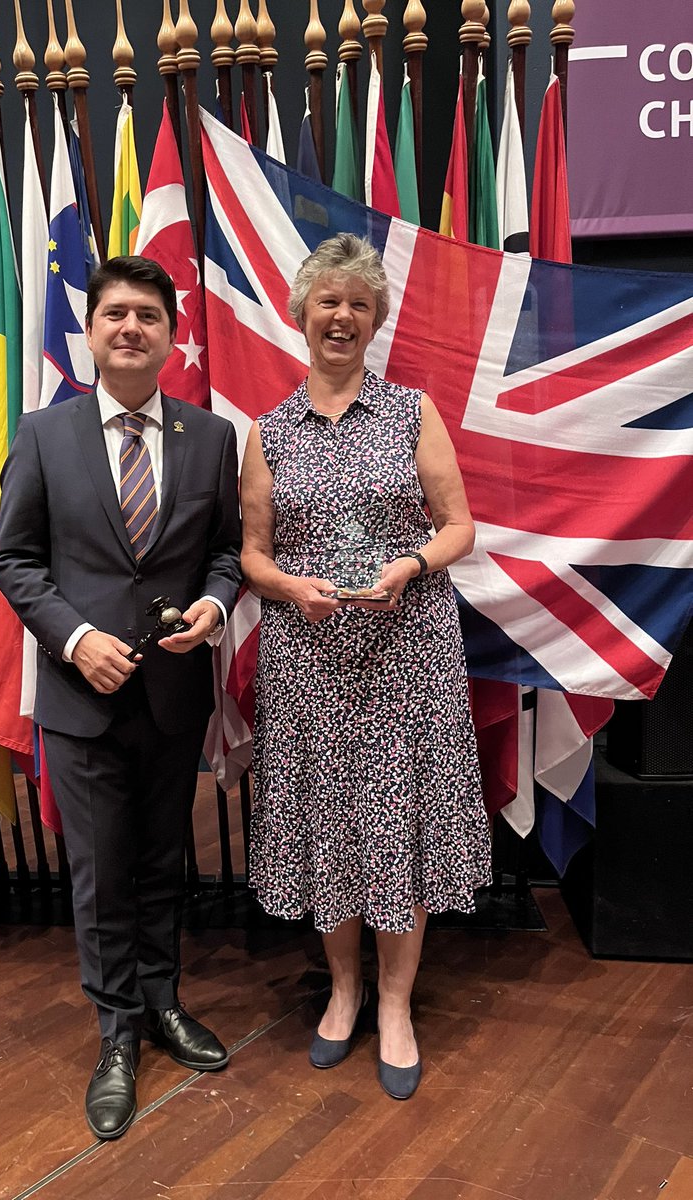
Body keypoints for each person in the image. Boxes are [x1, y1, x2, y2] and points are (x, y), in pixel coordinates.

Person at [0, 256, 242, 1140]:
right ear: (91, 333)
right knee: (100, 876)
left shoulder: (213, 438)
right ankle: (116, 1036)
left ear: (172, 337)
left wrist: (213, 608)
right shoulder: (42, 435)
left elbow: (225, 551)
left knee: (160, 860)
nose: (131, 328)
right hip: (81, 697)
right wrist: (75, 638)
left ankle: (163, 1000)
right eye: (116, 315)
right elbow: (13, 560)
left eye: (148, 316)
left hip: (175, 696)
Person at [240, 233, 491, 1102]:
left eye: (358, 303)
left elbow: (460, 526)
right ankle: (342, 990)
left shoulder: (412, 411)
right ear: (301, 314)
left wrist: (412, 565)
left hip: (406, 655)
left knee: (399, 824)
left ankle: (394, 1004)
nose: (341, 316)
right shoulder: (267, 432)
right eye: (327, 302)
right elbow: (253, 558)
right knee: (333, 824)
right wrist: (291, 587)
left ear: (376, 319)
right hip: (308, 659)